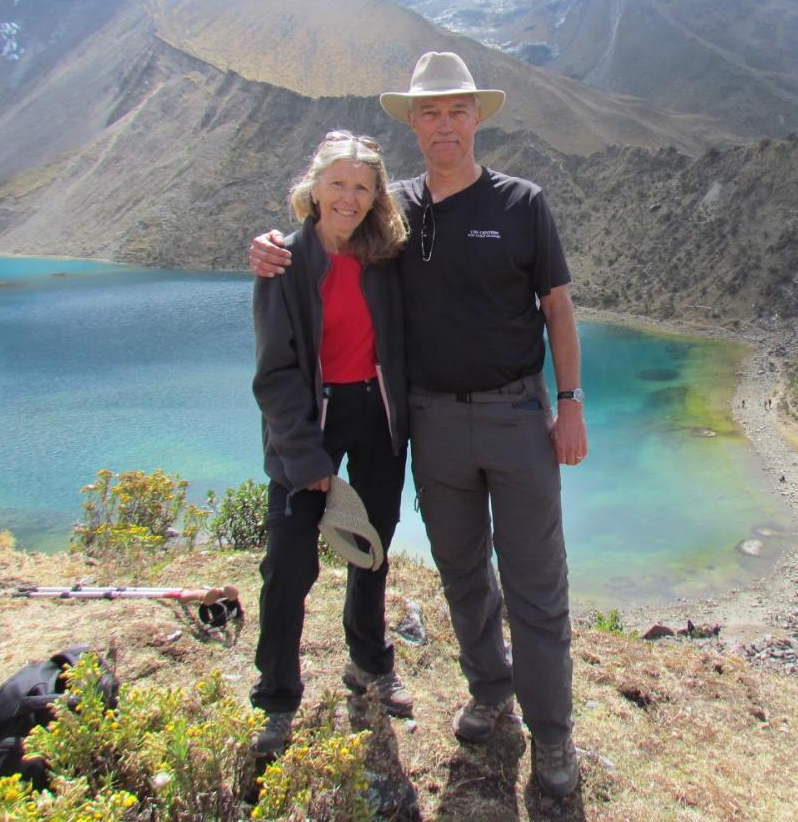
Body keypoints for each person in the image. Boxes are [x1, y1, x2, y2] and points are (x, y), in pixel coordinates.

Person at [250, 52, 588, 799]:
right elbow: (324, 235)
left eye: (456, 110)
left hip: (512, 416)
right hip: (431, 423)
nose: (443, 124)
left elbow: (557, 308)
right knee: (461, 573)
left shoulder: (520, 203)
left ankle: (554, 740)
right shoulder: (393, 212)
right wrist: (271, 245)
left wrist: (570, 402)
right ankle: (488, 690)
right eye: (429, 112)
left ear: (476, 118)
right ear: (413, 123)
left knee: (535, 584)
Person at [249, 130, 412, 758]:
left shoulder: (385, 257)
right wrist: (304, 454)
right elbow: (276, 370)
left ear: (376, 197)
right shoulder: (285, 263)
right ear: (313, 187)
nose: (349, 197)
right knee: (289, 563)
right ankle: (277, 698)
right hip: (309, 425)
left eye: (362, 187)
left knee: (370, 551)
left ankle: (369, 664)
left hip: (376, 416)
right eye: (338, 184)